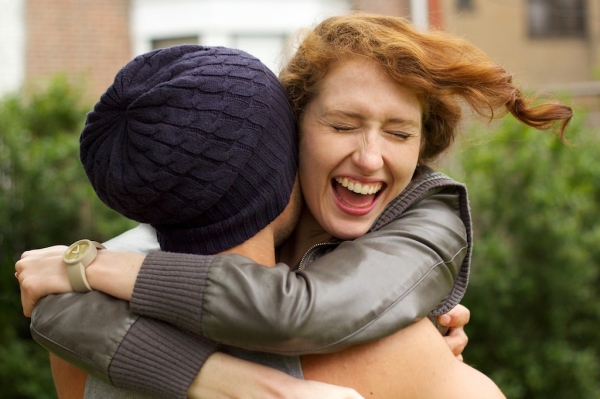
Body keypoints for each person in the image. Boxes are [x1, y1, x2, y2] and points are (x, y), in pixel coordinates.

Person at [17, 11, 572, 399]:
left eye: (400, 134)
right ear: (290, 130)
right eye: (342, 125)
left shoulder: (431, 219)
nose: (370, 157)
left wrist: (86, 266)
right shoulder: (244, 202)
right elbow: (54, 308)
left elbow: (299, 312)